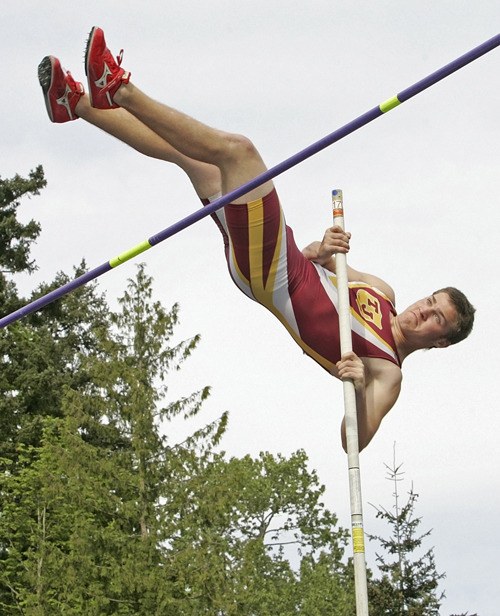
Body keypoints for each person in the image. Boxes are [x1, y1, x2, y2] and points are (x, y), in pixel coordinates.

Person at [37, 27, 475, 452]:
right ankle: (74, 103)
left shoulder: (388, 374)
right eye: (431, 301)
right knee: (190, 157)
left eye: (436, 318)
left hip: (273, 276)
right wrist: (323, 249)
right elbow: (314, 259)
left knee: (238, 152)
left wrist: (359, 388)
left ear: (439, 342)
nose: (423, 310)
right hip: (284, 255)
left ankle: (118, 90)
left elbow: (352, 441)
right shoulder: (383, 292)